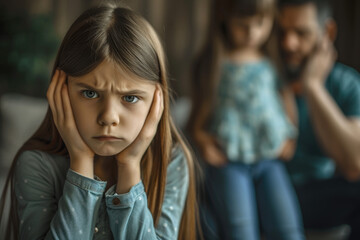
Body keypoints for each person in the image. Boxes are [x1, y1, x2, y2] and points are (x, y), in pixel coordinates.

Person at [0, 3, 200, 240]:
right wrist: (81, 163)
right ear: (60, 92)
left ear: (157, 101)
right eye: (90, 93)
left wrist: (130, 166)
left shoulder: (170, 162)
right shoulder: (37, 165)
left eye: (130, 97)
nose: (108, 117)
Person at [187, 0, 305, 239]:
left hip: (270, 158)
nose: (252, 33)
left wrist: (291, 136)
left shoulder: (272, 60)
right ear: (225, 20)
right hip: (230, 162)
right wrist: (205, 143)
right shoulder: (215, 63)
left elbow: (286, 100)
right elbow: (197, 121)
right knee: (240, 230)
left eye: (261, 23)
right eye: (243, 25)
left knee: (288, 226)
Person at [277, 0, 360, 239]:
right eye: (282, 32)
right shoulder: (264, 78)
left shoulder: (347, 84)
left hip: (317, 195)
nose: (288, 43)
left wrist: (313, 87)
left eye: (301, 33)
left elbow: (354, 164)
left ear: (328, 32)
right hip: (265, 190)